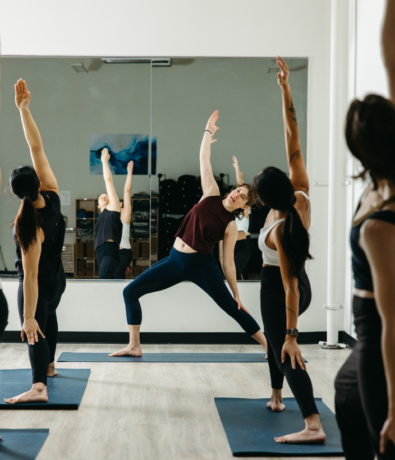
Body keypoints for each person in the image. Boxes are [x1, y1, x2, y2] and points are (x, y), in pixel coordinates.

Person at [110, 110, 268, 357]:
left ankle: (269, 346)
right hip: (175, 260)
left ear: (244, 206)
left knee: (232, 307)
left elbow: (227, 262)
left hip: (200, 265)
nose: (237, 193)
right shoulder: (211, 192)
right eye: (238, 190)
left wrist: (236, 293)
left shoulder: (230, 225)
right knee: (130, 291)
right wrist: (207, 131)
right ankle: (134, 345)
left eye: (243, 196)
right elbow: (204, 159)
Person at [253, 57, 325, 444]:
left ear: (265, 199)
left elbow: (291, 284)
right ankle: (276, 397)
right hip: (292, 285)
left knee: (285, 350)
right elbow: (292, 135)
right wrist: (286, 89)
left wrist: (294, 334)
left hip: (283, 290)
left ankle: (313, 424)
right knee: (275, 340)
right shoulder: (301, 195)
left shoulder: (280, 230)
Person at [334, 2, 395, 457]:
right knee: (345, 395)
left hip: (375, 337)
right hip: (364, 337)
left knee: (381, 436)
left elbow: (394, 320)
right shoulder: (383, 176)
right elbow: (391, 52)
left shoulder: (379, 224)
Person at [5, 79, 66, 404]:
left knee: (35, 328)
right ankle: (51, 367)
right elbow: (36, 147)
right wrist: (24, 110)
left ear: (15, 193)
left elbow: (29, 275)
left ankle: (38, 387)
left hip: (39, 283)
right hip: (57, 280)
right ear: (38, 181)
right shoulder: (52, 194)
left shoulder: (28, 227)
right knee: (50, 318)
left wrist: (27, 316)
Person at [219, 156, 251, 280]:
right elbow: (222, 253)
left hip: (242, 245)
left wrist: (237, 169)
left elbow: (240, 186)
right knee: (231, 275)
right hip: (230, 246)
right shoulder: (226, 217)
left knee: (236, 273)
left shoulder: (243, 211)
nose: (237, 196)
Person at [95, 148, 122, 279]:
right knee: (106, 285)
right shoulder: (101, 217)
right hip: (100, 252)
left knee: (102, 282)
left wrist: (104, 162)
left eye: (107, 196)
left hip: (110, 251)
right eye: (101, 197)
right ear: (98, 205)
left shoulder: (113, 208)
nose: (104, 197)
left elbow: (108, 181)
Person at [115, 161, 134, 279]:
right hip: (111, 253)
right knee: (114, 276)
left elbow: (127, 191)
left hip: (124, 252)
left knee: (117, 274)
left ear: (121, 204)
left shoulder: (125, 213)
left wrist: (129, 172)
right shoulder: (109, 215)